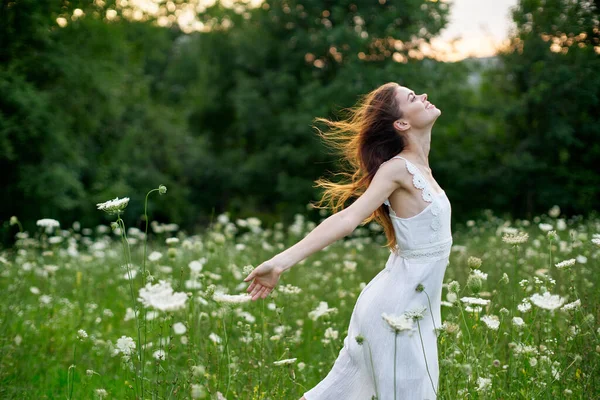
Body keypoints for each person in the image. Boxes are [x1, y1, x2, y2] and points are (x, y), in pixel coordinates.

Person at [243, 82, 451, 400]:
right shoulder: (397, 169)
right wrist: (280, 262)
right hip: (394, 311)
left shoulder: (423, 170)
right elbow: (346, 219)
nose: (423, 95)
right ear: (402, 123)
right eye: (412, 97)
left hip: (417, 309)